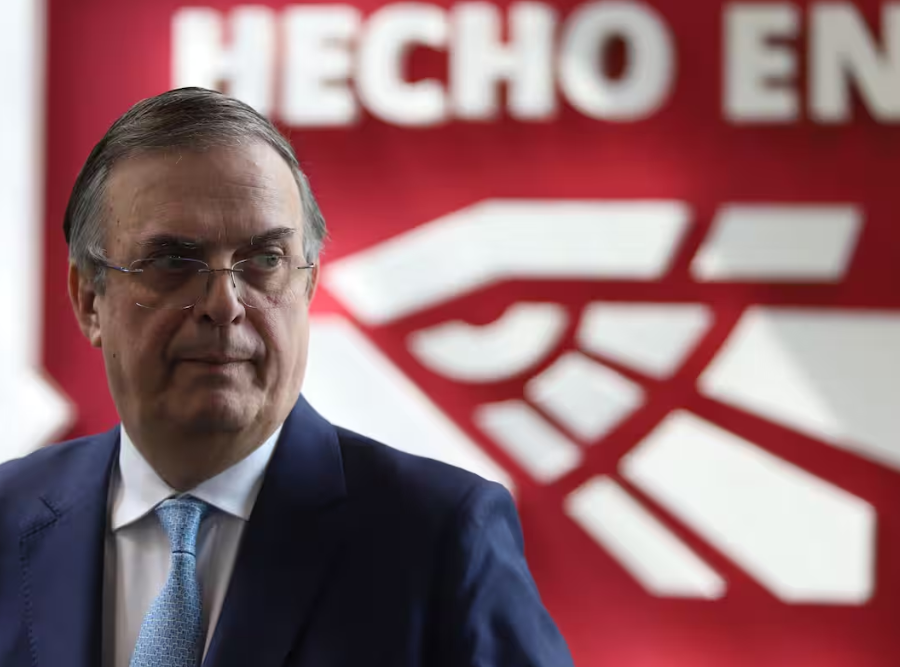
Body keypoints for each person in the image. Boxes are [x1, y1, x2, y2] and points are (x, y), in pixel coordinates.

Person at [0, 88, 574, 667]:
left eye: (265, 260)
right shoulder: (8, 516)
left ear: (307, 284)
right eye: (173, 262)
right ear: (89, 300)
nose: (224, 304)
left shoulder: (442, 537)